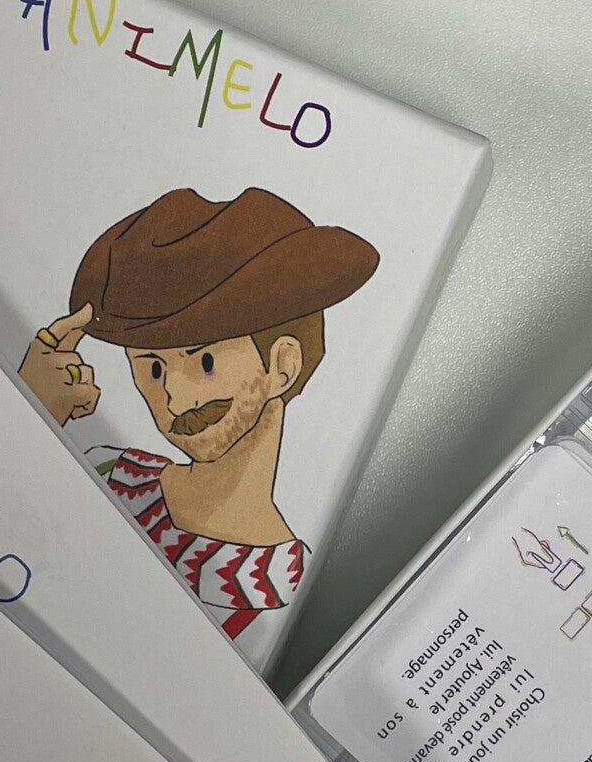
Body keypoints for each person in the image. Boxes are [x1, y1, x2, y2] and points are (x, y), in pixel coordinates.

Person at [19, 188, 378, 645]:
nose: (174, 395)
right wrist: (29, 412)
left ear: (282, 366)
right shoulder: (105, 472)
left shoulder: (285, 598)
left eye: (204, 362)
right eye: (152, 368)